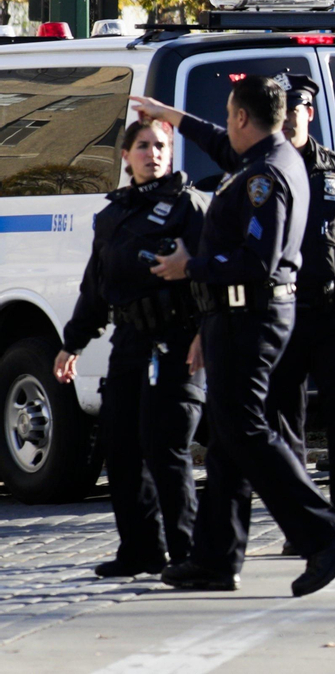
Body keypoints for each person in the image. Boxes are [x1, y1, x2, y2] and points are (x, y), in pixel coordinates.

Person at [134, 75, 335, 555]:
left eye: (301, 107)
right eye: (288, 106)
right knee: (273, 424)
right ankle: (301, 531)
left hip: (329, 310)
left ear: (307, 114)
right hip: (281, 316)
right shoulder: (262, 161)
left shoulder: (308, 172)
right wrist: (167, 112)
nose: (294, 114)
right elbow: (214, 138)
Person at [54, 118, 207, 578]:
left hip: (179, 340)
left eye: (161, 146)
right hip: (130, 342)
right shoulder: (112, 215)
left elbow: (215, 273)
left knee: (167, 446)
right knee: (119, 445)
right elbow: (95, 287)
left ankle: (186, 553)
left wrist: (206, 332)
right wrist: (72, 344)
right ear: (126, 155)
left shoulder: (190, 206)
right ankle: (140, 549)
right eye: (143, 146)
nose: (153, 153)